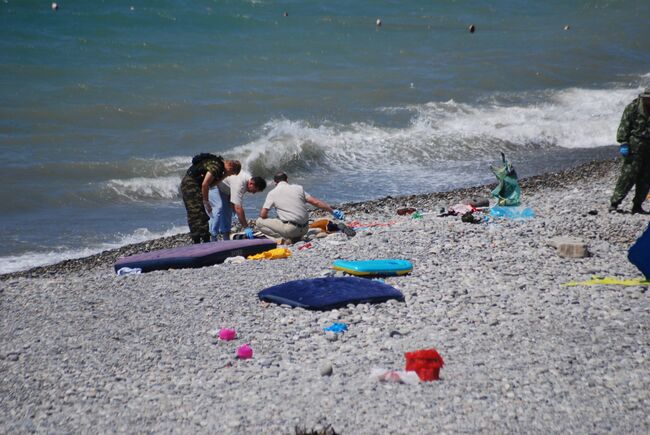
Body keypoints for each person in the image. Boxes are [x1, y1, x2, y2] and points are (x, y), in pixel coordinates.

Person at [255, 172, 344, 243]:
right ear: (287, 180)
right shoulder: (298, 188)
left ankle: (282, 239)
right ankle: (294, 237)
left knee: (259, 221)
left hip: (291, 230)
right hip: (305, 228)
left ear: (275, 183)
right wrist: (332, 211)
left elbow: (263, 214)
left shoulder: (272, 193)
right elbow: (315, 202)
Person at [180, 153, 241, 244]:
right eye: (232, 173)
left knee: (201, 214)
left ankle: (203, 239)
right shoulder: (217, 166)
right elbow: (205, 184)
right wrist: (206, 202)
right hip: (190, 185)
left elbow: (211, 185)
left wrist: (224, 176)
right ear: (230, 167)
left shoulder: (218, 167)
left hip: (193, 184)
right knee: (196, 213)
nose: (230, 175)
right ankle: (200, 240)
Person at [609, 88, 650, 214]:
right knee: (627, 176)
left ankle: (637, 205)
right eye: (647, 98)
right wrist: (624, 143)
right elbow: (624, 126)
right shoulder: (633, 108)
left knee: (646, 178)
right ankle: (615, 203)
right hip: (634, 147)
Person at [209, 172, 267, 241]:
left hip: (226, 190)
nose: (253, 193)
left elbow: (235, 201)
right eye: (254, 190)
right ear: (251, 183)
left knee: (227, 214)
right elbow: (238, 208)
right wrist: (246, 227)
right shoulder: (240, 184)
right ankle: (213, 237)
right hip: (215, 185)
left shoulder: (248, 182)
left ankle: (226, 239)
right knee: (218, 210)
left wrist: (234, 209)